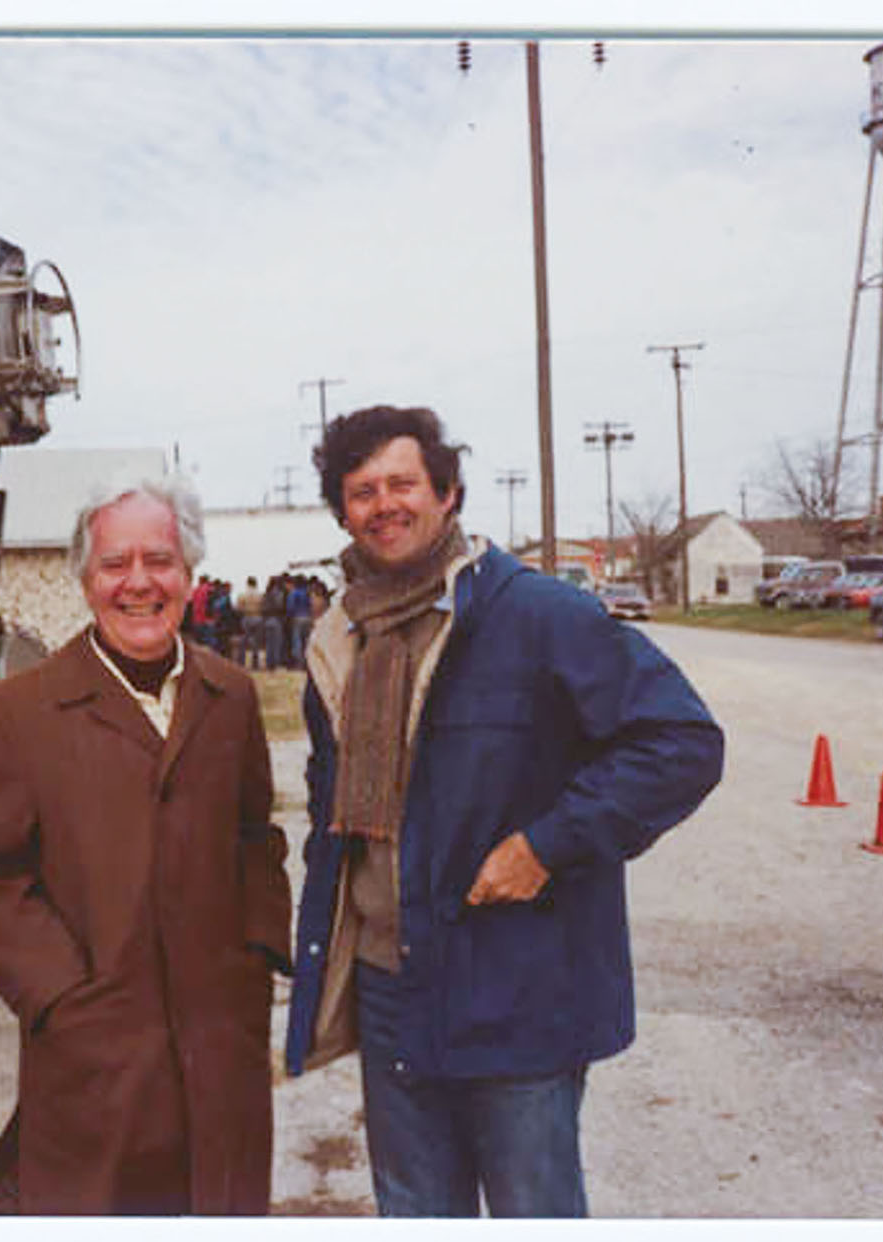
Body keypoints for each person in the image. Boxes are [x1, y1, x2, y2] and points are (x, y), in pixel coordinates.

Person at [283, 405, 723, 1218]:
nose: (385, 504)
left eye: (403, 483)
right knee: (417, 1211)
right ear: (342, 510)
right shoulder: (338, 639)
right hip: (392, 986)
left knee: (533, 1211)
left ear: (447, 492)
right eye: (363, 490)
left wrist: (547, 845)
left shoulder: (539, 615)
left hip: (518, 987)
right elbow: (328, 799)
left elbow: (682, 742)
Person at [0, 471, 292, 1216]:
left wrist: (256, 963)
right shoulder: (22, 711)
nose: (139, 583)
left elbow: (254, 838)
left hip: (217, 1052)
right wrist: (62, 998)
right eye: (115, 564)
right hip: (95, 1058)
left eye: (159, 560)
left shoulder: (229, 697)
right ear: (85, 579)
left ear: (189, 573)